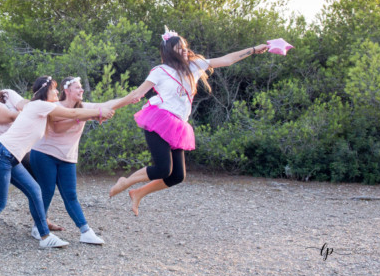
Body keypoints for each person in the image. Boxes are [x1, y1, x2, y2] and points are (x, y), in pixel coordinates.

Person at [109, 28, 268, 215]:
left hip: (178, 125)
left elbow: (227, 59)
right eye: (179, 47)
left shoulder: (194, 66)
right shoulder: (160, 71)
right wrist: (109, 109)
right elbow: (136, 94)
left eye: (184, 46)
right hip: (158, 121)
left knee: (177, 176)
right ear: (169, 51)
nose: (184, 50)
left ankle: (138, 193)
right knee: (163, 169)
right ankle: (126, 182)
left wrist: (254, 49)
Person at [0, 76, 115, 256]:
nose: (57, 92)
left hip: (9, 156)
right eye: (54, 89)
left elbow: (69, 117)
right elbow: (73, 113)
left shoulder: (40, 109)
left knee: (35, 190)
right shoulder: (40, 105)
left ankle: (45, 236)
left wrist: (95, 115)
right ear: (45, 90)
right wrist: (98, 112)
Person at [29, 76, 140, 245]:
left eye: (81, 87)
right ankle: (38, 228)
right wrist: (87, 116)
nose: (81, 90)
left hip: (67, 157)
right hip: (44, 154)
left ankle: (85, 231)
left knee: (71, 195)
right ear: (67, 91)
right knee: (46, 191)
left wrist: (129, 98)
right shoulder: (55, 106)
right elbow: (58, 128)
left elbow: (108, 104)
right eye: (77, 87)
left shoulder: (83, 108)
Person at [0, 72, 62, 238]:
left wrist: (36, 106)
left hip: (19, 147)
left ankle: (42, 221)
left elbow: (26, 104)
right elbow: (12, 116)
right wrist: (37, 110)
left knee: (38, 183)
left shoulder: (7, 94)